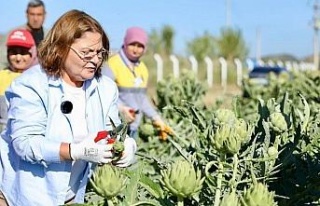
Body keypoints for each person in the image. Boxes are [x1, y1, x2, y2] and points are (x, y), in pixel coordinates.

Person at [0, 9, 137, 206]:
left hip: (72, 193)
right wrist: (75, 151)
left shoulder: (105, 89)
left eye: (99, 52)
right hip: (25, 193)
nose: (96, 59)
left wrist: (125, 146)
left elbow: (111, 131)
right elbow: (25, 143)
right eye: (86, 52)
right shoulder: (31, 84)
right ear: (61, 48)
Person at [104, 26, 173, 139]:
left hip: (133, 128)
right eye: (132, 44)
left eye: (140, 46)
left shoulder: (142, 68)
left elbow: (142, 100)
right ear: (125, 43)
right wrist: (121, 109)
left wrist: (156, 118)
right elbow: (103, 95)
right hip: (114, 128)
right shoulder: (112, 64)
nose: (136, 49)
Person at [0, 28, 38, 131]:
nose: (18, 58)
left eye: (23, 53)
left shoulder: (40, 78)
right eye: (14, 52)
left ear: (33, 53)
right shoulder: (1, 77)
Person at [0, 0, 47, 68]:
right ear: (26, 15)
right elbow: (1, 62)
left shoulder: (50, 36)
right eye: (32, 14)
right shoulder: (13, 35)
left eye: (39, 14)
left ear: (45, 15)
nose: (35, 19)